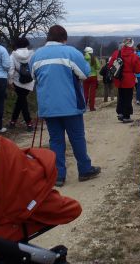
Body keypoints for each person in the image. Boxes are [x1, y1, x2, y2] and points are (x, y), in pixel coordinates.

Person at [30, 25, 100, 187]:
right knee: (77, 138)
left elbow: (33, 77)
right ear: (64, 38)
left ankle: (58, 175)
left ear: (48, 37)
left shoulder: (36, 55)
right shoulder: (71, 53)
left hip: (48, 106)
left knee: (56, 141)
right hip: (70, 104)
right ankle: (84, 169)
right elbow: (85, 73)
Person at [108, 38, 140, 123]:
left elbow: (110, 65)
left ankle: (120, 112)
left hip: (119, 78)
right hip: (129, 78)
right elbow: (138, 70)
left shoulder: (117, 53)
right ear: (132, 45)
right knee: (128, 97)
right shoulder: (134, 56)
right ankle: (126, 116)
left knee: (121, 96)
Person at [8, 37, 35, 131]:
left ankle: (28, 123)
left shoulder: (12, 56)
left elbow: (10, 70)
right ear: (27, 44)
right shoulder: (33, 54)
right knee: (21, 101)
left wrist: (10, 81)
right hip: (30, 82)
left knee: (21, 102)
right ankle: (13, 121)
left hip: (17, 82)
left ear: (16, 45)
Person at [83, 46, 100, 111]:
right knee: (92, 93)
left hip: (85, 76)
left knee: (85, 92)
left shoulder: (83, 58)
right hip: (93, 77)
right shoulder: (94, 58)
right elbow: (98, 67)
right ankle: (92, 107)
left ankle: (84, 107)